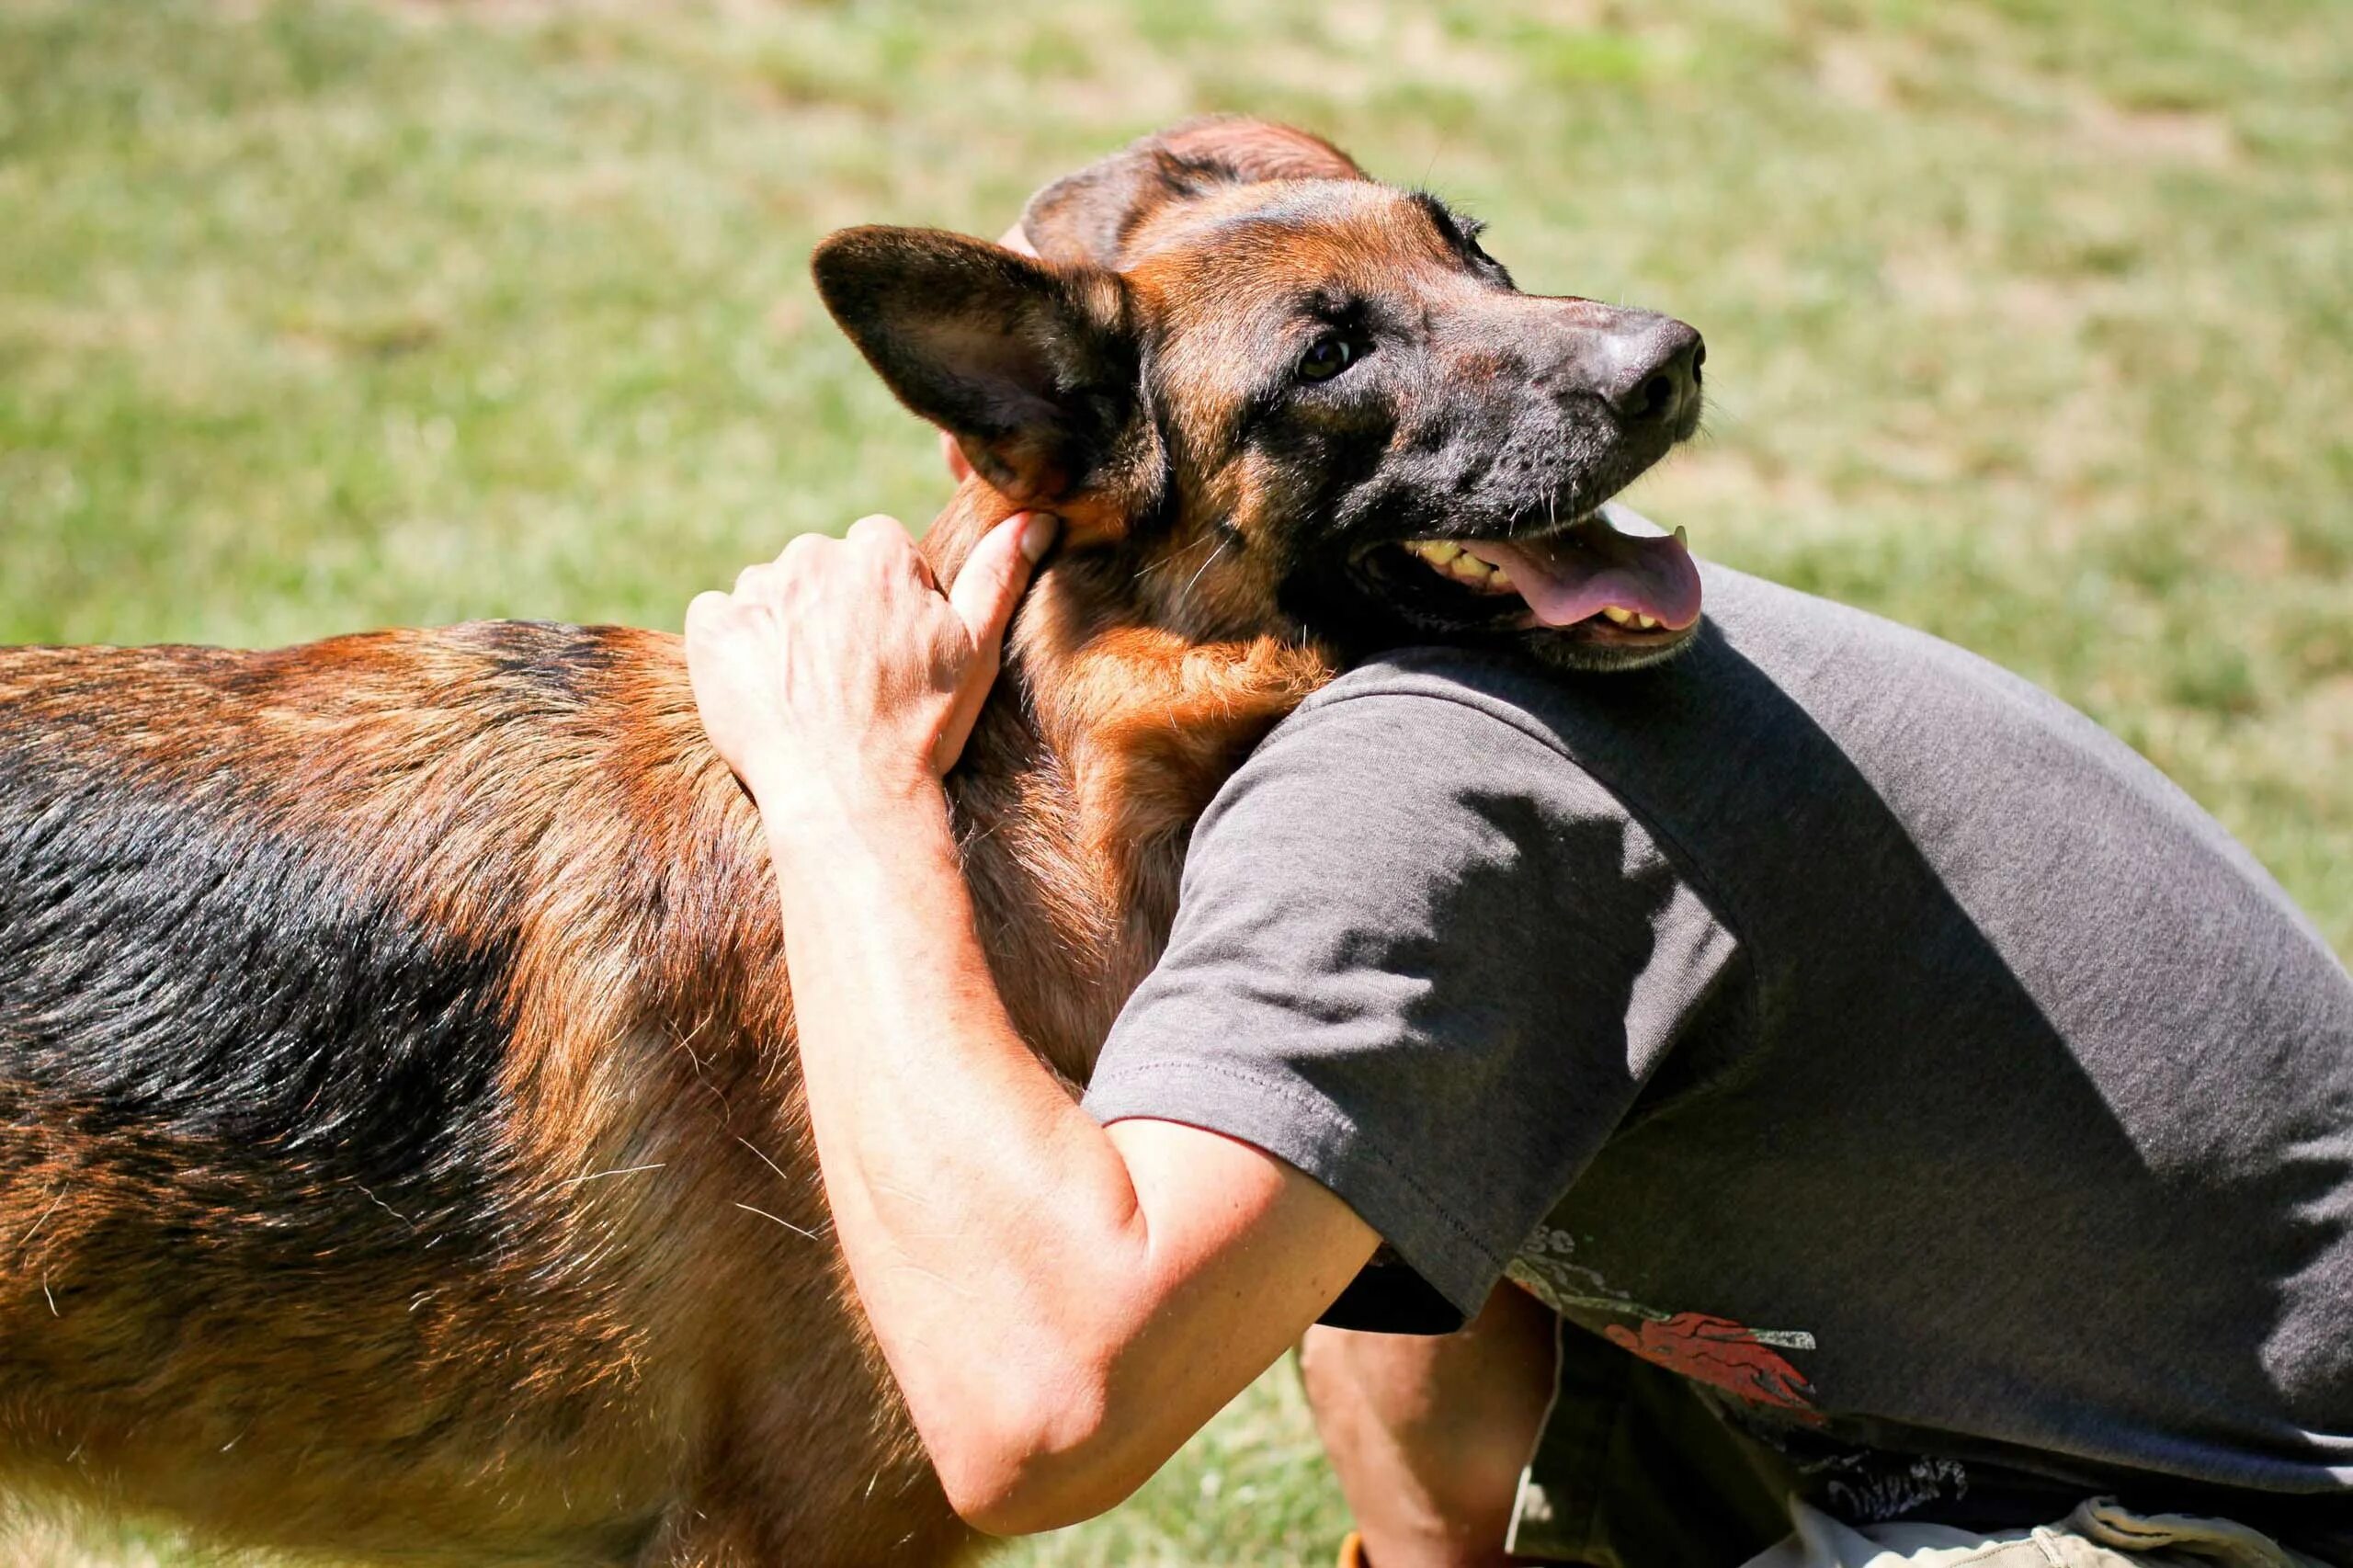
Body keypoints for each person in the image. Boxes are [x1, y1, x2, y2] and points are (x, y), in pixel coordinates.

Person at [682, 497, 2353, 1568]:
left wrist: (848, 788)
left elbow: (1040, 1410)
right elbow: (1360, 1212)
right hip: (1943, 1421)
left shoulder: (1419, 788)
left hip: (2228, 1518)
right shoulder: (1426, 733)